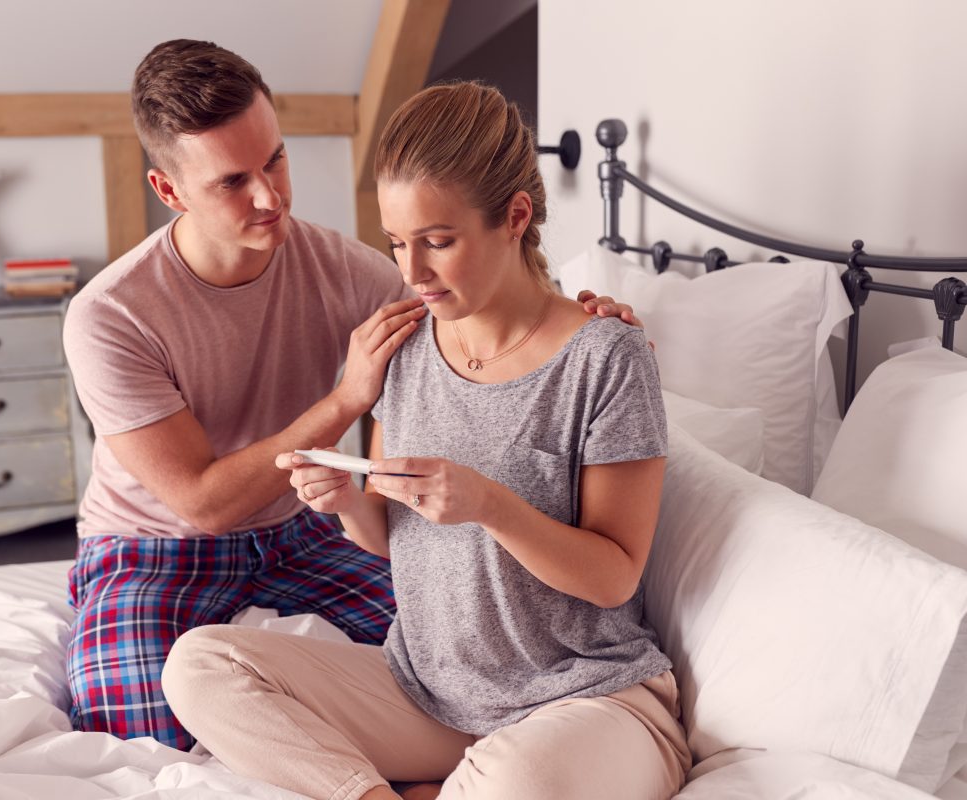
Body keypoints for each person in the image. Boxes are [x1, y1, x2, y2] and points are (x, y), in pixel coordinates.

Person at [62, 40, 644, 751]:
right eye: (232, 181)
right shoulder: (111, 314)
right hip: (152, 547)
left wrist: (580, 317)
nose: (270, 197)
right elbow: (202, 503)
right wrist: (346, 401)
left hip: (301, 531)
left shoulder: (345, 270)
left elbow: (476, 294)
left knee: (449, 672)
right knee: (148, 741)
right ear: (170, 192)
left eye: (275, 159)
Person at [161, 80, 691, 800]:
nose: (412, 273)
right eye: (398, 244)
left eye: (438, 242)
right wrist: (349, 499)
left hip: (586, 698)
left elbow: (614, 575)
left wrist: (490, 506)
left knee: (522, 778)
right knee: (199, 665)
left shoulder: (604, 358)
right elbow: (395, 538)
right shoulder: (403, 347)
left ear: (515, 216)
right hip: (428, 695)